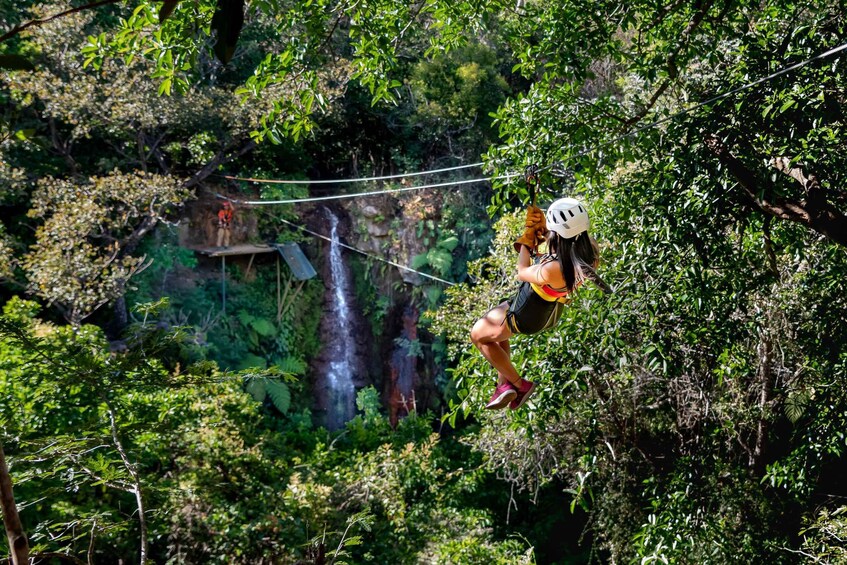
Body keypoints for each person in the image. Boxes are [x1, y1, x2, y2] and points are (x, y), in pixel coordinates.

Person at [470, 197, 612, 410]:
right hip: (548, 311)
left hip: (528, 312)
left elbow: (522, 272)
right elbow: (561, 246)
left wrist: (526, 242)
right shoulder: (589, 251)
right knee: (496, 332)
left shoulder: (553, 269)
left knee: (478, 335)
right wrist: (543, 230)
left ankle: (519, 385)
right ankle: (504, 384)